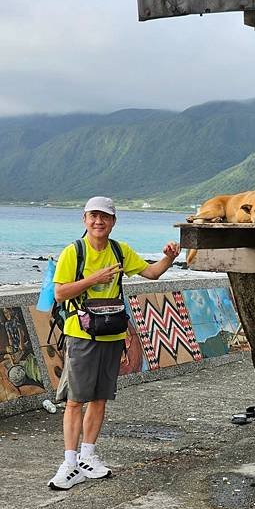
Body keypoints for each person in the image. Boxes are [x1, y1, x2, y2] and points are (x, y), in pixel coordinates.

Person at [48, 196, 180, 491]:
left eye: (104, 217)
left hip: (113, 334)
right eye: (93, 216)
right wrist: (93, 278)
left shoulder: (119, 250)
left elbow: (152, 273)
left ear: (113, 222)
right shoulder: (74, 252)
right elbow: (60, 293)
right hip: (81, 335)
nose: (98, 221)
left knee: (100, 398)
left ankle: (87, 457)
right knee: (75, 400)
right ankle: (69, 463)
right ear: (84, 220)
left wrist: (170, 257)